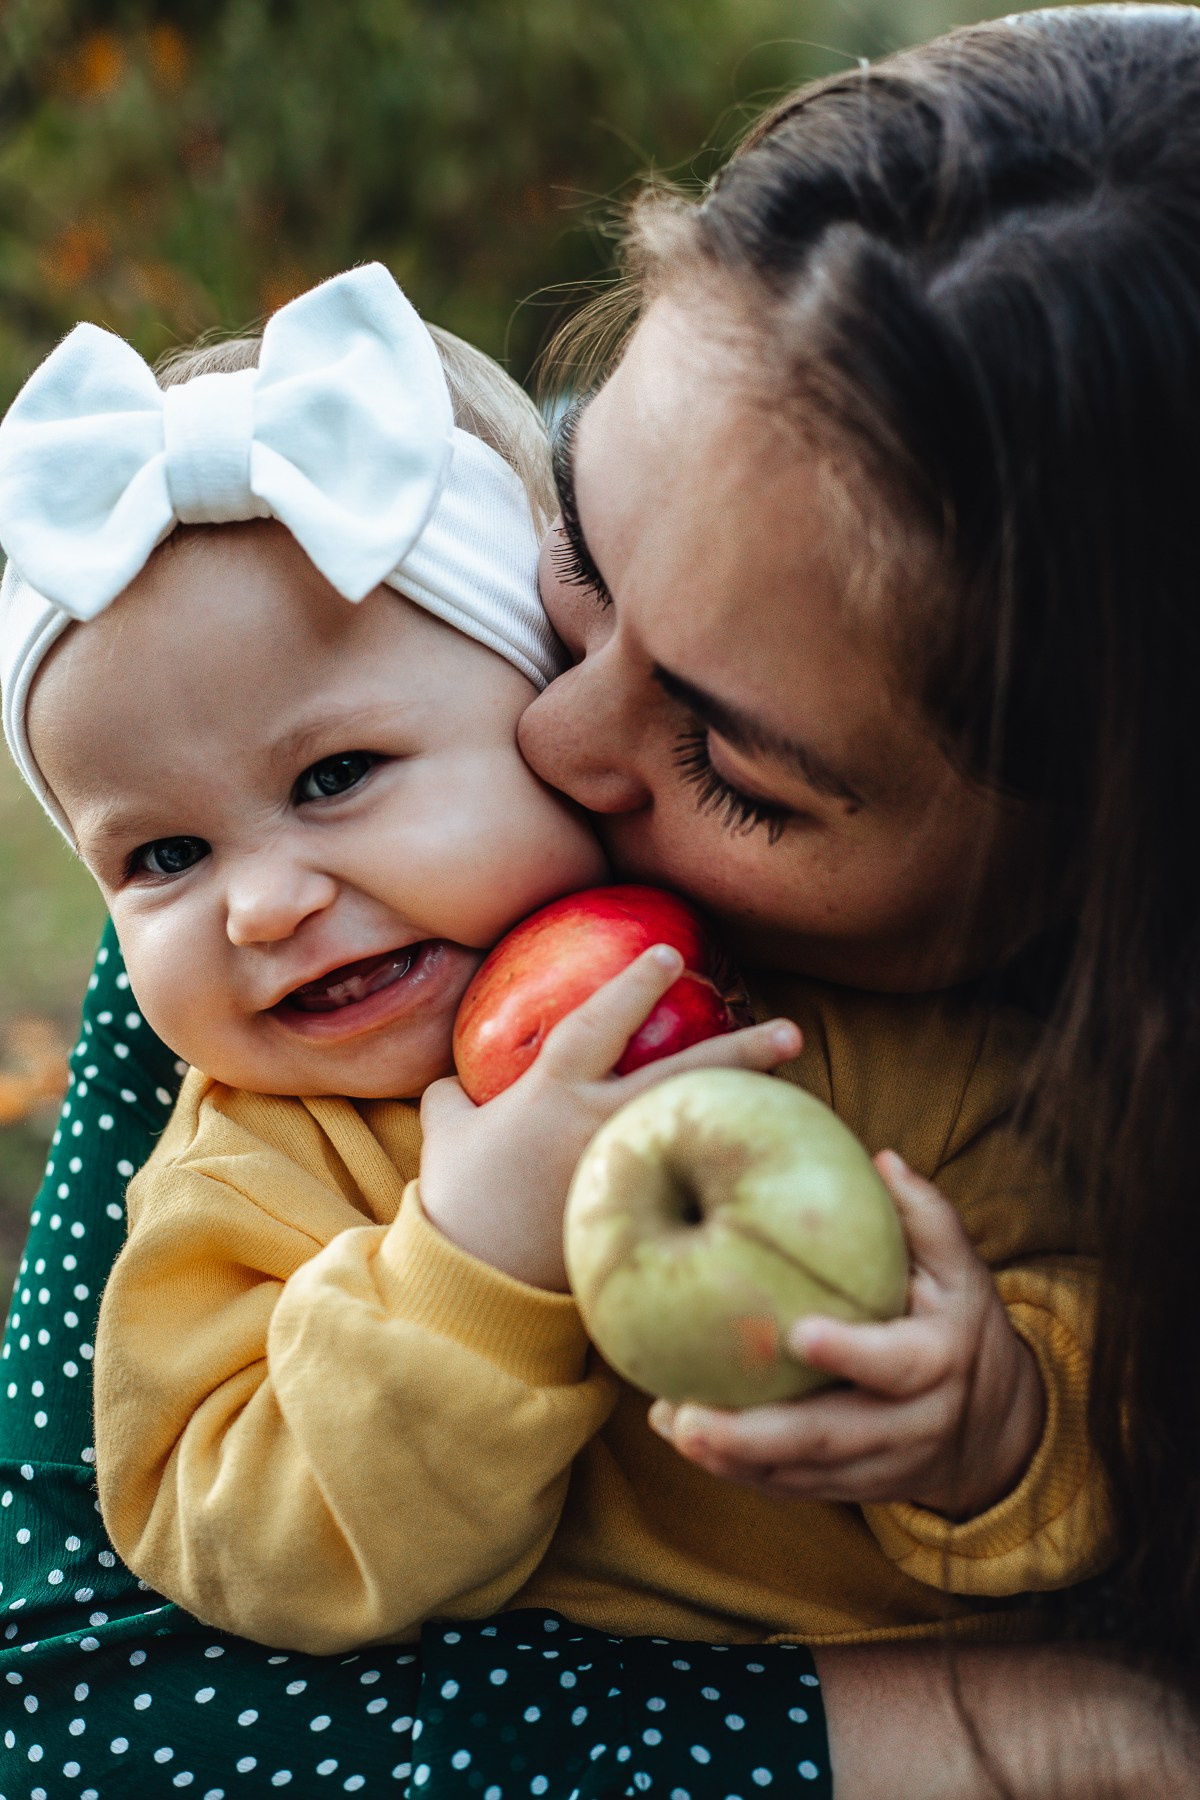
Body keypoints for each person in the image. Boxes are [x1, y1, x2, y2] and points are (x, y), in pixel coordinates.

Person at [2, 7, 1199, 1798]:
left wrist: (1006, 1426)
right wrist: (470, 1271)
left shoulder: (932, 1070)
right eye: (581, 554)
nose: (553, 725)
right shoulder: (268, 1097)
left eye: (734, 758)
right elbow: (101, 1674)